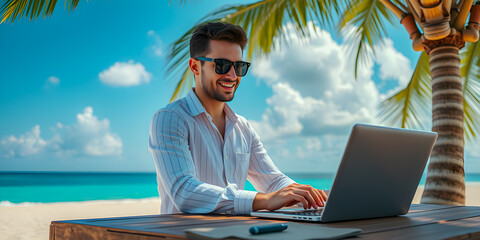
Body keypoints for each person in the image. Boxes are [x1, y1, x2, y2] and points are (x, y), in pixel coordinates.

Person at [148, 22, 327, 215]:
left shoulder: (243, 128)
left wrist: (318, 196)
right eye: (222, 65)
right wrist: (264, 200)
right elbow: (184, 192)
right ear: (195, 67)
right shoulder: (170, 119)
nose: (232, 76)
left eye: (239, 66)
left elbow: (274, 181)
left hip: (237, 232)